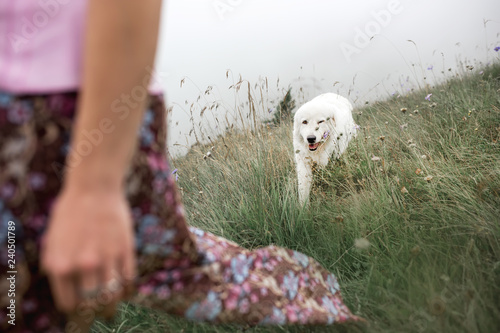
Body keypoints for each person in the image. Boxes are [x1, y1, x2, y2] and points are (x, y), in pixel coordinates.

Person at [0, 1, 362, 331]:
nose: (311, 133)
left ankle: (316, 310)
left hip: (61, 109)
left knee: (162, 269)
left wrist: (94, 187)